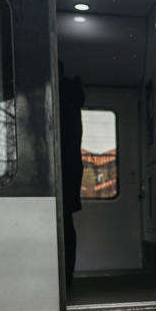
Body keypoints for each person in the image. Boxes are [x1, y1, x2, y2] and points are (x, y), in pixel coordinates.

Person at [58, 60, 85, 289]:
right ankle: (67, 278)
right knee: (66, 222)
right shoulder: (72, 94)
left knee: (63, 224)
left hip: (62, 168)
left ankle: (64, 281)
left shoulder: (58, 93)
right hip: (71, 167)